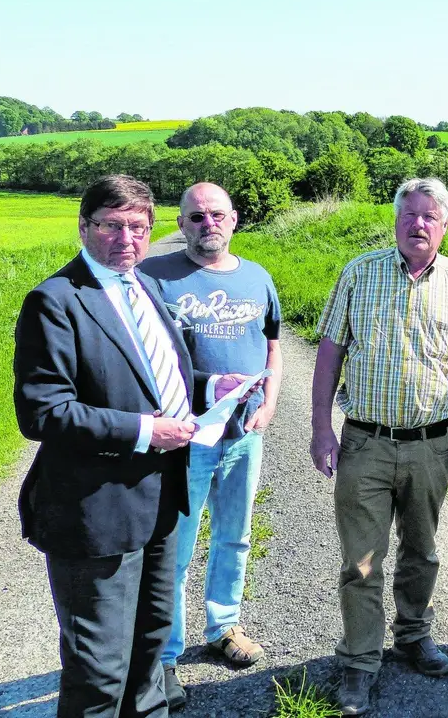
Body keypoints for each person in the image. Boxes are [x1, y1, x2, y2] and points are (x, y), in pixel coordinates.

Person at [13, 174, 251, 718]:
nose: (127, 239)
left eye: (139, 228)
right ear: (84, 226)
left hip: (162, 505)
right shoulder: (56, 301)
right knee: (100, 671)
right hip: (96, 513)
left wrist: (209, 389)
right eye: (113, 225)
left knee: (149, 660)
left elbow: (153, 378)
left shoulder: (142, 287)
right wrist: (147, 431)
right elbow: (43, 410)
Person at [308, 177, 448, 717]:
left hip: (430, 445)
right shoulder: (359, 272)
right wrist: (321, 426)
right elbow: (329, 349)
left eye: (429, 217)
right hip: (365, 442)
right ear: (395, 220)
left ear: (444, 226)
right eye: (409, 215)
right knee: (361, 561)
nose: (418, 224)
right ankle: (360, 660)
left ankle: (414, 635)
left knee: (422, 550)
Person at [138, 182, 283, 709]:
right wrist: (204, 387)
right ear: (181, 223)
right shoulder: (154, 278)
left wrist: (268, 404)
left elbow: (272, 346)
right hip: (184, 437)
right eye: (195, 217)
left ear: (235, 219)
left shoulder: (256, 277)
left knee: (235, 535)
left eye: (216, 215)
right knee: (174, 545)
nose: (207, 225)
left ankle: (223, 627)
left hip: (244, 434)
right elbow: (147, 360)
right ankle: (166, 654)